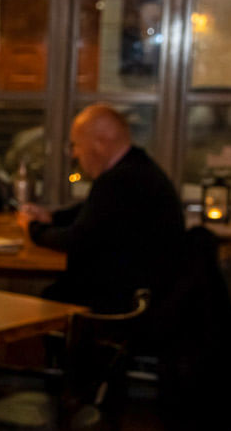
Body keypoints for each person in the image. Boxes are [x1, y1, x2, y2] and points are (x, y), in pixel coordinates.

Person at [16, 103, 185, 315]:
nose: (74, 154)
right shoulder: (137, 168)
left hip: (125, 301)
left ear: (100, 143)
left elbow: (76, 240)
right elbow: (95, 212)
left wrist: (33, 228)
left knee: (43, 304)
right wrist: (52, 217)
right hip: (146, 291)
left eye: (76, 145)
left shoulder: (118, 181)